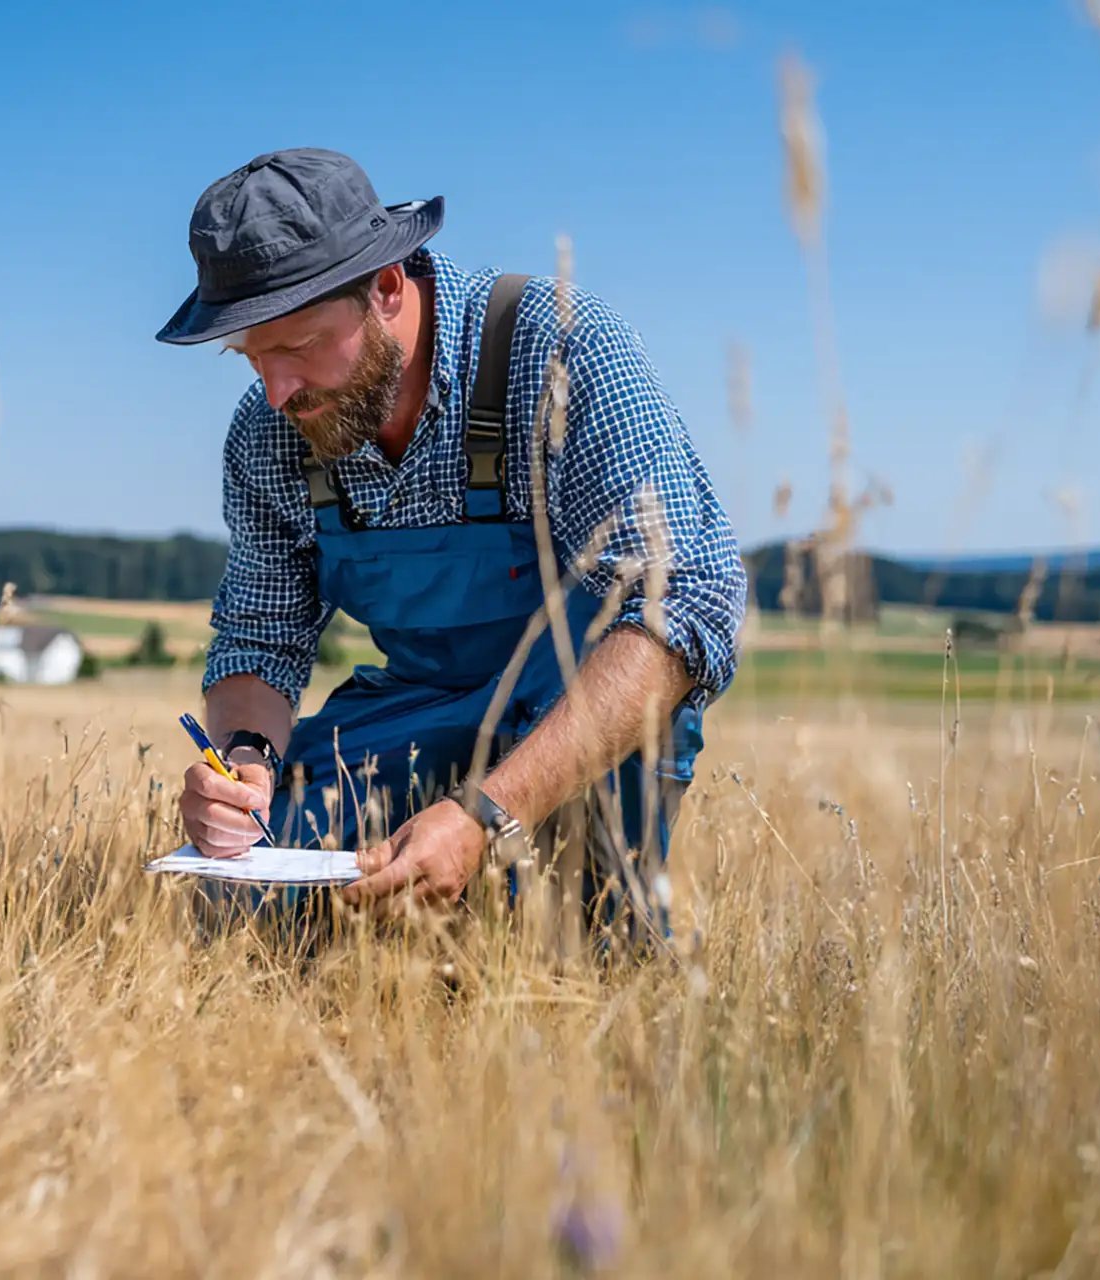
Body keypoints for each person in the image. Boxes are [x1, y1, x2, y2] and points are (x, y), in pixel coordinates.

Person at [158, 148, 747, 938]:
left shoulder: (555, 350)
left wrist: (485, 814)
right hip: (421, 709)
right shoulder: (269, 434)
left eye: (296, 345)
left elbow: (680, 604)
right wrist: (245, 761)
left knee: (571, 938)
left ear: (388, 288)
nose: (275, 390)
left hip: (576, 713)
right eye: (250, 357)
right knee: (248, 906)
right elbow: (259, 643)